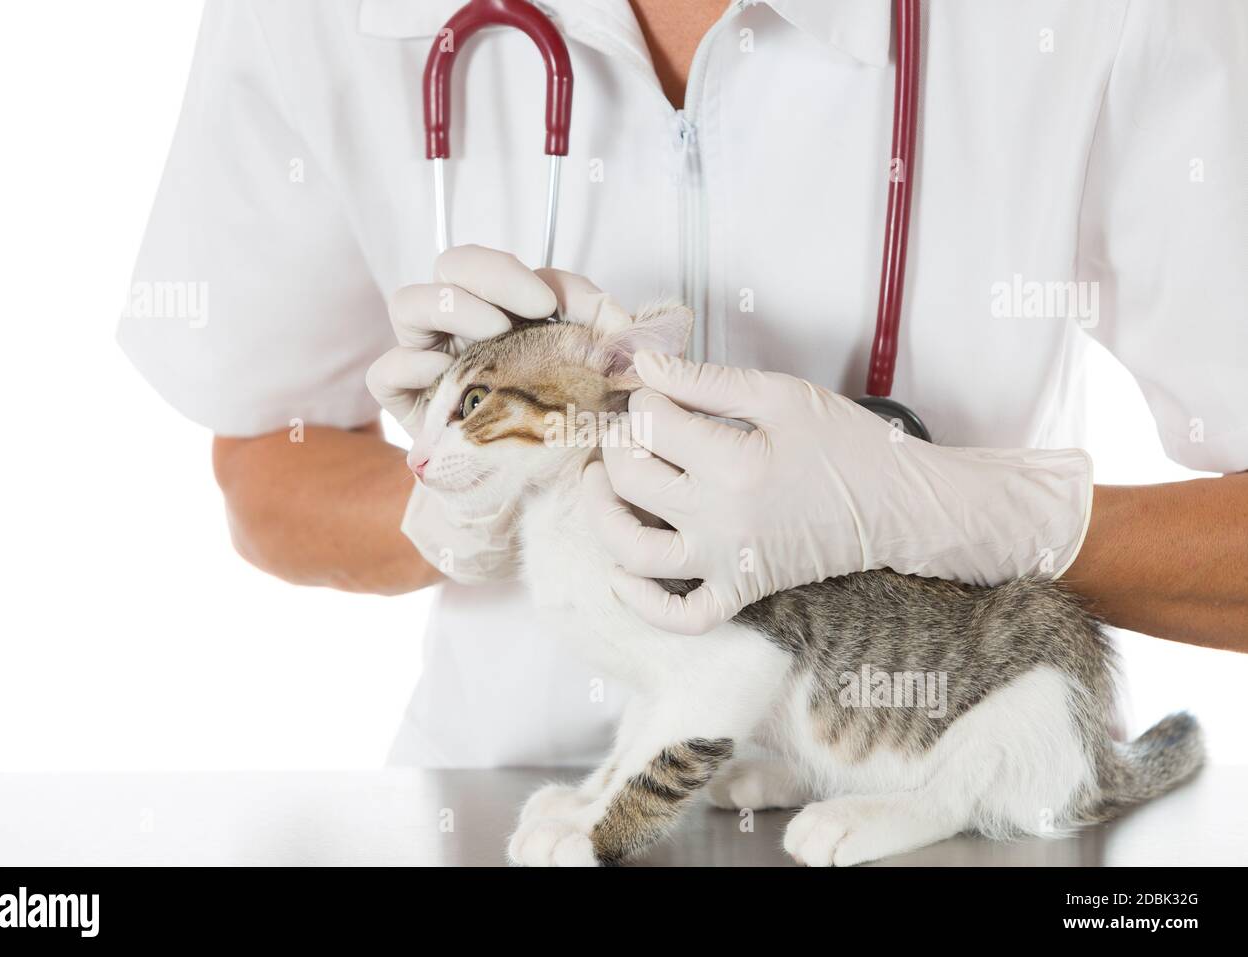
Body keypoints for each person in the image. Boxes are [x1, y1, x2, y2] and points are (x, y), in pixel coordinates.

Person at [120, 0, 1248, 768]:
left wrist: (982, 519)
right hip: (516, 811)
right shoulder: (316, 20)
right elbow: (263, 468)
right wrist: (466, 500)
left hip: (938, 807)